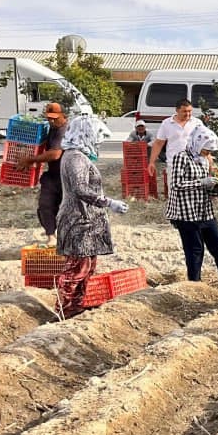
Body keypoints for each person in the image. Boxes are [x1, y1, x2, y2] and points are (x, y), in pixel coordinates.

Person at [54, 115, 128, 318]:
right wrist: (109, 202)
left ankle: (75, 306)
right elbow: (80, 189)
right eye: (96, 135)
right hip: (79, 220)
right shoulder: (76, 158)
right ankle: (65, 309)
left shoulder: (76, 156)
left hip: (86, 221)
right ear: (85, 133)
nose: (98, 141)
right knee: (77, 268)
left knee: (86, 266)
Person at [165, 125, 218, 294]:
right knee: (195, 250)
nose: (207, 153)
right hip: (186, 213)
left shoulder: (204, 160)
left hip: (204, 211)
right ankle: (194, 286)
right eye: (206, 149)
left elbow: (205, 184)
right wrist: (201, 183)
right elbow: (176, 184)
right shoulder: (182, 157)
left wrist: (216, 188)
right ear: (197, 143)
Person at [14, 101, 68, 244]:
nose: (51, 120)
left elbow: (55, 154)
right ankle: (51, 236)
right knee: (45, 205)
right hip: (53, 174)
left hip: (66, 176)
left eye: (55, 117)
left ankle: (64, 238)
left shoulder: (64, 130)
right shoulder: (52, 128)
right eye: (49, 117)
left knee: (66, 208)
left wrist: (31, 160)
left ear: (64, 115)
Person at [147, 99, 203, 191]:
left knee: (194, 193)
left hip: (194, 165)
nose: (188, 114)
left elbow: (204, 144)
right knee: (174, 193)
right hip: (174, 165)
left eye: (190, 111)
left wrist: (210, 162)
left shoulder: (197, 123)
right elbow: (158, 143)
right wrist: (152, 162)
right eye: (184, 111)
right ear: (177, 110)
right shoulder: (167, 123)